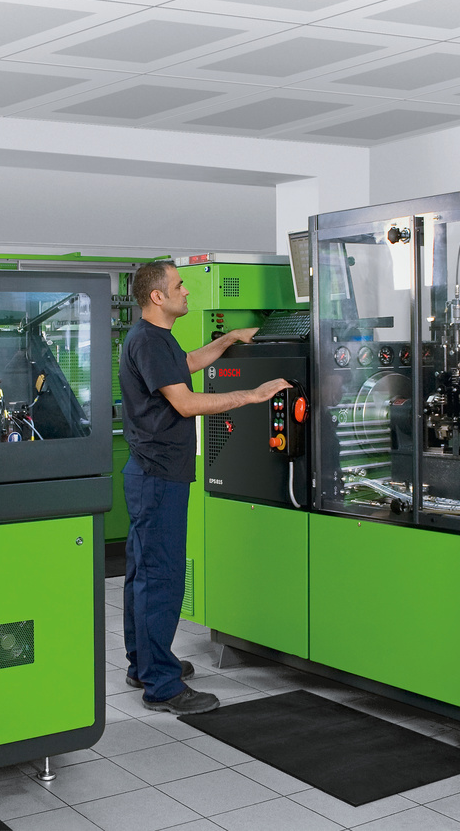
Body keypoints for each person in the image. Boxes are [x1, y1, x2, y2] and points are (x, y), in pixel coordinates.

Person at [119, 260, 291, 714]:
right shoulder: (148, 340)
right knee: (161, 577)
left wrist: (229, 339)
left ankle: (144, 664)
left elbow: (187, 365)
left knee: (143, 573)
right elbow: (185, 401)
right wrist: (252, 395)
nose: (187, 292)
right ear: (157, 296)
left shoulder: (154, 338)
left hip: (152, 472)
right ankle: (162, 685)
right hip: (159, 475)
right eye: (179, 286)